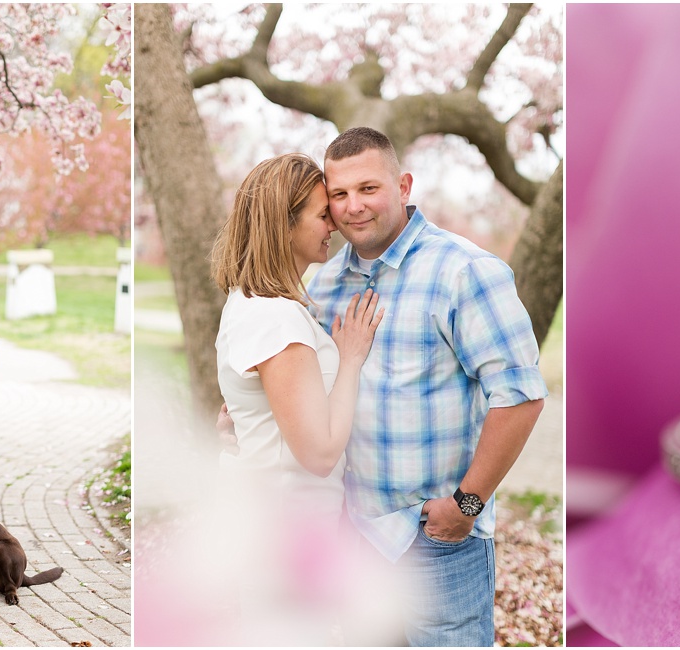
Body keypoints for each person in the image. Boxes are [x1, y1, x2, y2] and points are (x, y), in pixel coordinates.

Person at [226, 127, 547, 645]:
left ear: (403, 186)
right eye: (338, 194)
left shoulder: (466, 272)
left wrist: (467, 505)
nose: (353, 206)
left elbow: (521, 396)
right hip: (357, 542)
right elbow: (297, 384)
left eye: (368, 189)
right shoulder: (322, 285)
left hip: (438, 540)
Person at [210, 153, 384, 641]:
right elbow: (319, 454)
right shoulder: (276, 318)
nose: (334, 223)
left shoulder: (256, 302)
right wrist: (350, 359)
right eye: (321, 213)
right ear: (283, 225)